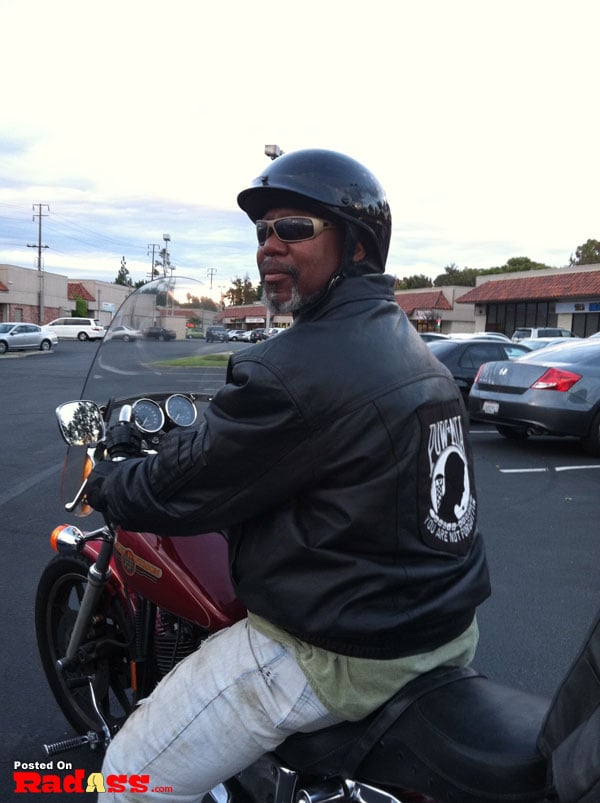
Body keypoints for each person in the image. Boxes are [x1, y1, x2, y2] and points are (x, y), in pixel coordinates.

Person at [86, 148, 491, 801]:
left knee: (130, 774)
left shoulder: (296, 366)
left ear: (357, 246)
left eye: (294, 228)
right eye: (261, 231)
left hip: (335, 652)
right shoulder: (407, 346)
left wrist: (110, 481)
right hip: (439, 628)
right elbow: (299, 443)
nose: (269, 245)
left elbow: (181, 488)